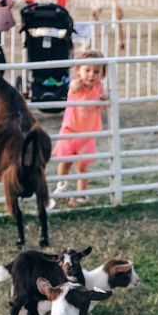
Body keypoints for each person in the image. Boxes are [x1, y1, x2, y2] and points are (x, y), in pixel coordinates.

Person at [53, 51, 106, 206]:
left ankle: (81, 194)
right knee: (64, 164)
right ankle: (61, 188)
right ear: (78, 71)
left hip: (87, 134)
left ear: (102, 73)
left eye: (96, 71)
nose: (91, 75)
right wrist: (75, 84)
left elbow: (100, 105)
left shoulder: (99, 88)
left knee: (82, 166)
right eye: (87, 70)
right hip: (70, 131)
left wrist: (103, 100)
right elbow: (73, 89)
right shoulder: (76, 85)